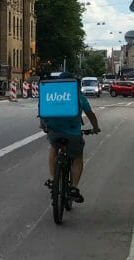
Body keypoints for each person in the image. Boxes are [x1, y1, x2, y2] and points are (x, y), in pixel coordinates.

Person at [40, 73, 100, 203]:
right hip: (73, 134)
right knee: (77, 158)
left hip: (54, 132)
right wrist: (96, 128)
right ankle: (73, 188)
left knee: (53, 149)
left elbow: (42, 111)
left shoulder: (51, 94)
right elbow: (90, 114)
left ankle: (53, 178)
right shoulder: (77, 95)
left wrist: (44, 126)